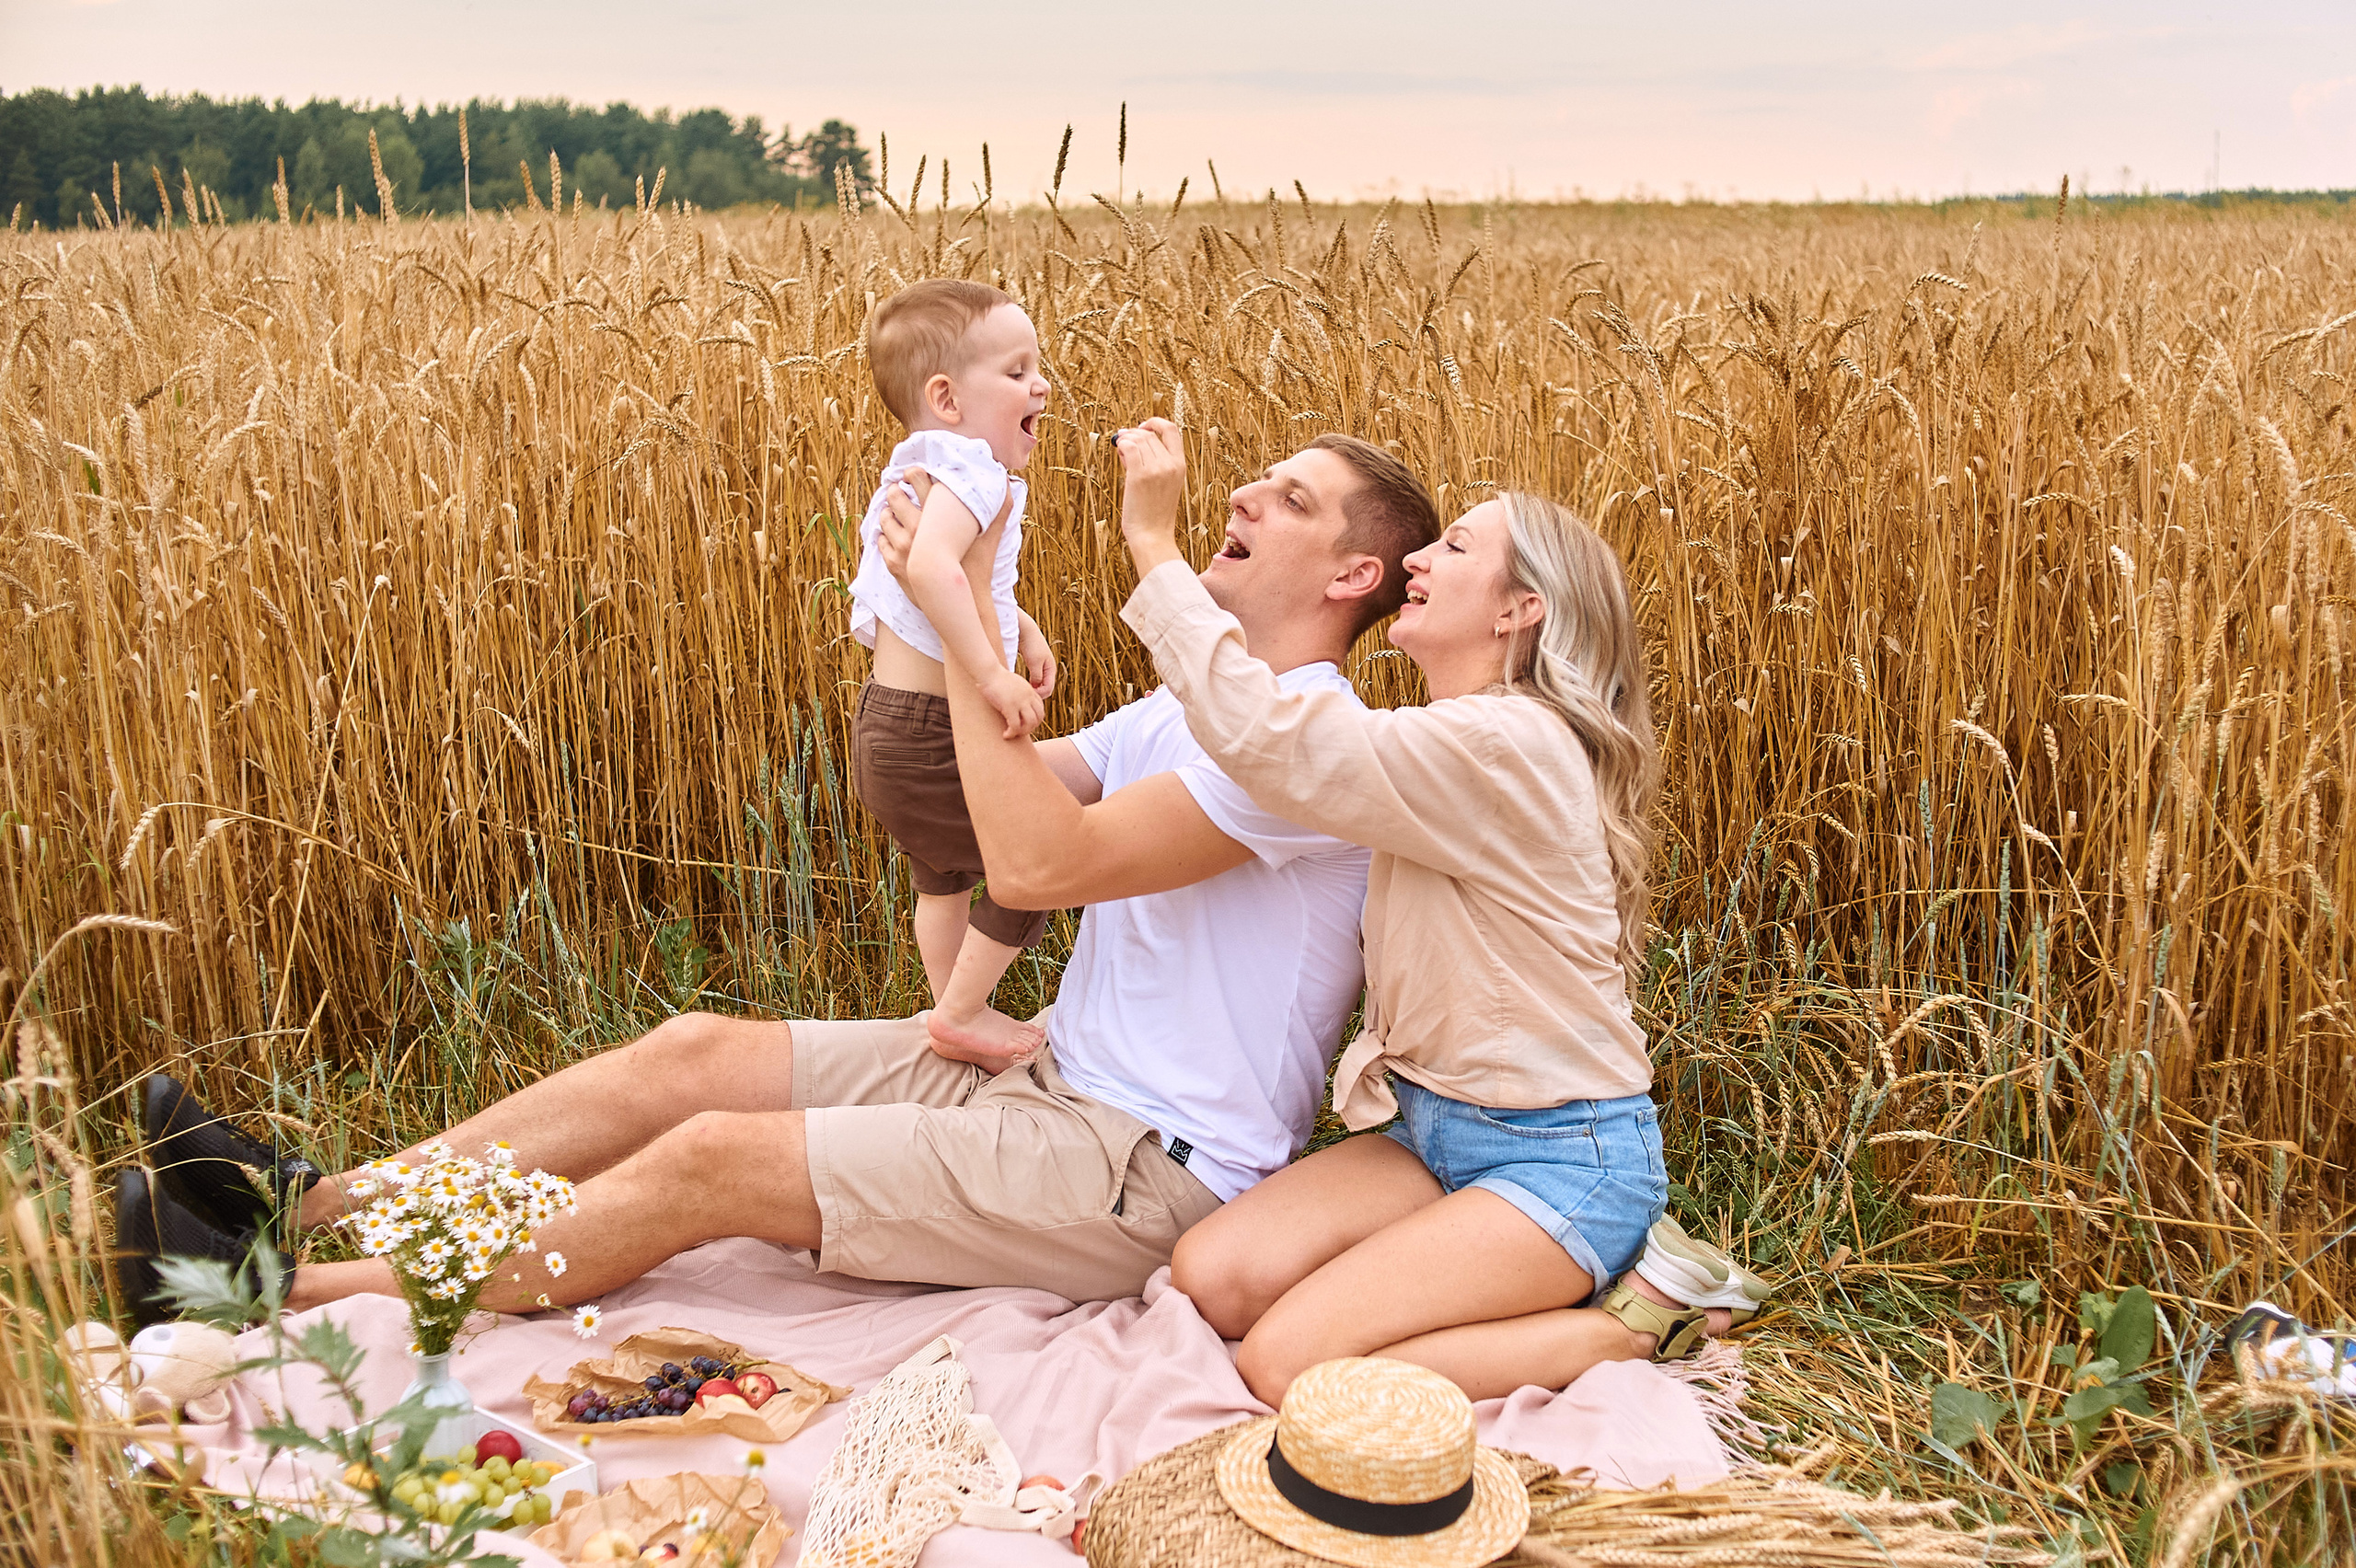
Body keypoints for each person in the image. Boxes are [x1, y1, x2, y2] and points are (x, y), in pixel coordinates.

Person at [113, 433, 1442, 1328]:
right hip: (1047, 1079)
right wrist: (957, 633)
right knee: (686, 1059)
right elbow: (992, 817)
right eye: (1259, 478)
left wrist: (961, 588)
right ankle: (309, 1196)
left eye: (1293, 497)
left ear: (1353, 575)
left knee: (713, 1164)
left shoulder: (1308, 755)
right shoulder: (1182, 710)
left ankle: (277, 1290)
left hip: (1143, 1169)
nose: (1248, 497)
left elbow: (1043, 862)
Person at [1105, 420, 1772, 1406]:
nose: (1416, 557)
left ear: (1520, 611)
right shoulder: (1458, 740)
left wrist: (1156, 552)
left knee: (1286, 1366)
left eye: (1455, 546)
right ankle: (1505, 1288)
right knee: (1212, 1278)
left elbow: (1278, 744)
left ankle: (1636, 1326)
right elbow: (1301, 753)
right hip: (1430, 1132)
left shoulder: (1512, 744)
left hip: (1561, 1162)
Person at [846, 279, 1059, 1068]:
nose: (1040, 385)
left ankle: (951, 1007)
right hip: (935, 727)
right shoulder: (972, 467)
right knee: (1034, 864)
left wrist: (1021, 629)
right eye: (1015, 372)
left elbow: (972, 583)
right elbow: (931, 572)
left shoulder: (924, 465)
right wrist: (993, 676)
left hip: (887, 720)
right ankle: (964, 1011)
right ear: (947, 397)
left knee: (942, 879)